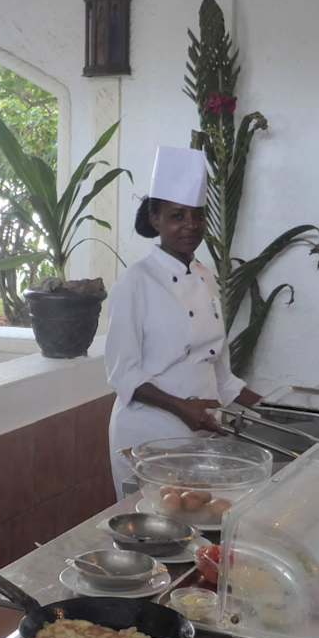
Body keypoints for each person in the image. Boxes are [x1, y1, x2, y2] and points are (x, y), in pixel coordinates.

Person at [105, 146, 263, 492]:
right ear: (155, 219)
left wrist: (274, 409)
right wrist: (182, 409)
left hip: (202, 432)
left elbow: (221, 376)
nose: (190, 225)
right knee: (157, 519)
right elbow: (123, 375)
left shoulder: (206, 277)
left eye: (197, 216)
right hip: (149, 436)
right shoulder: (135, 282)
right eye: (177, 216)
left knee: (201, 520)